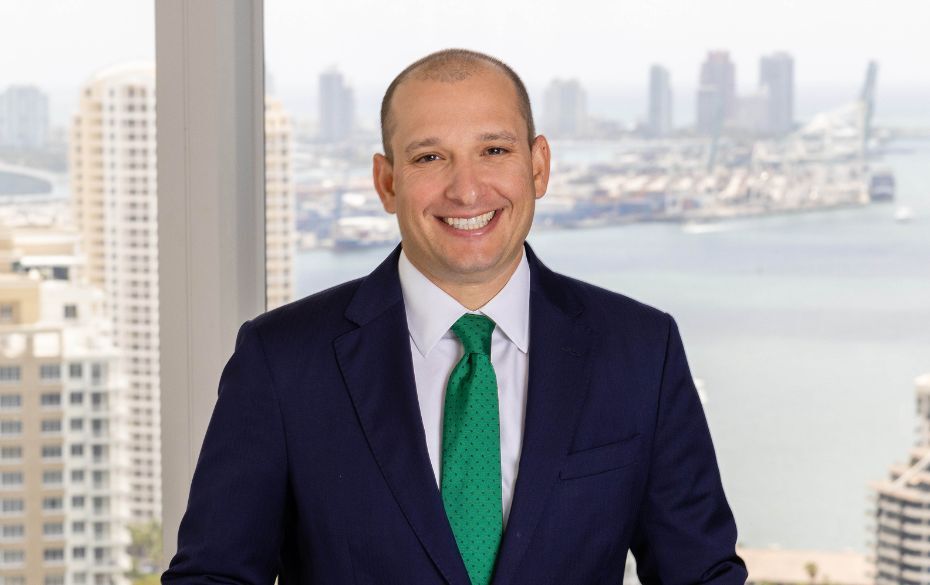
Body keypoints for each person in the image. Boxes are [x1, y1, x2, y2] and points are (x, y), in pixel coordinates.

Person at [162, 49, 747, 585]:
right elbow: (213, 577)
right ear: (387, 182)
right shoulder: (282, 360)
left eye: (494, 151)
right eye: (430, 157)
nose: (467, 191)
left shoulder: (640, 350)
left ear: (538, 166)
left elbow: (701, 576)